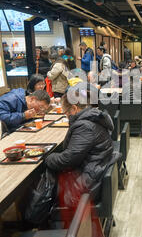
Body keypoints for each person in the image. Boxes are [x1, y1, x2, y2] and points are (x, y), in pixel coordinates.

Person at [40, 89, 120, 221]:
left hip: (88, 181)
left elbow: (67, 160)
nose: (67, 117)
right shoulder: (93, 117)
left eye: (66, 113)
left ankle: (39, 223)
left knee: (42, 184)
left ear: (74, 108)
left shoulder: (84, 126)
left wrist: (48, 157)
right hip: (95, 171)